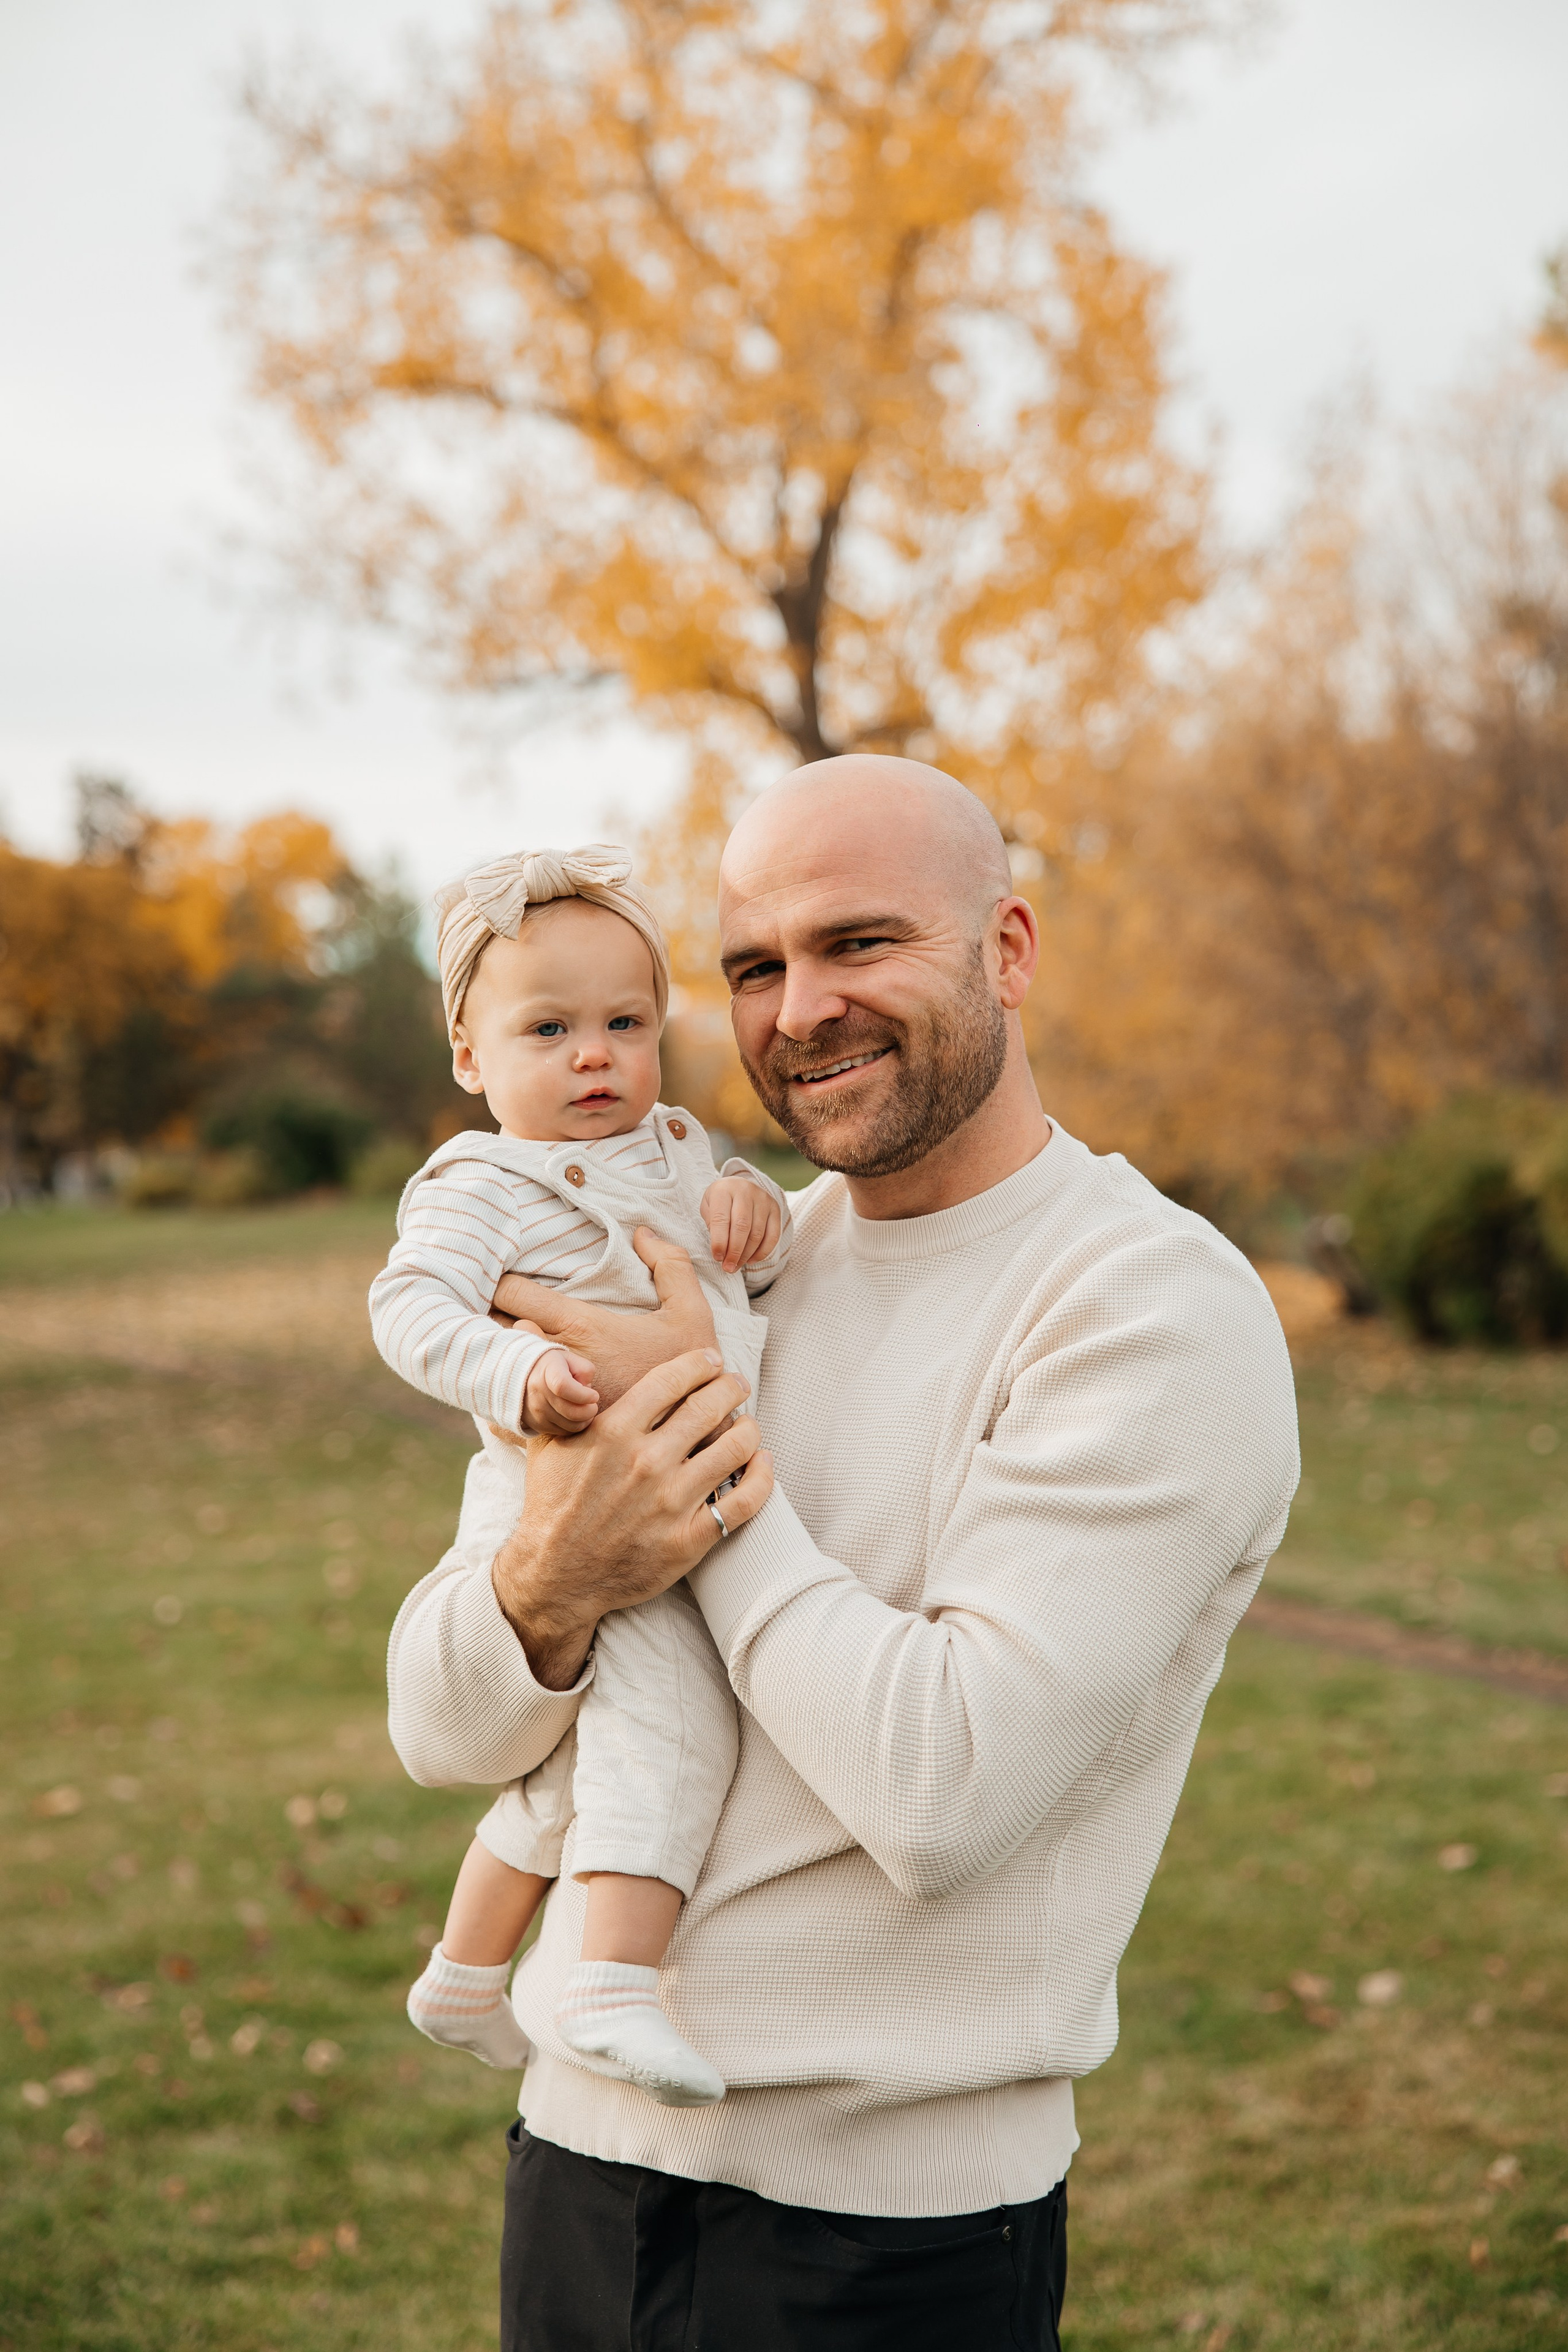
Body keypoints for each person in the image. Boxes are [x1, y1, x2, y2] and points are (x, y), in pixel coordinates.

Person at [386, 756, 1300, 2352]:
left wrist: (691, 1440)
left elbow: (939, 1789)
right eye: (754, 966)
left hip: (884, 2243)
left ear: (1006, 951)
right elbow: (443, 1730)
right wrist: (554, 1578)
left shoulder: (1151, 1305)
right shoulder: (732, 1260)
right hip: (580, 2170)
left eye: (859, 942)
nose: (801, 1009)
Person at [371, 845, 790, 2106]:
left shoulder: (675, 1146)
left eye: (623, 1022)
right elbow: (407, 1306)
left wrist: (750, 1211)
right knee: (670, 1716)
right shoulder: (478, 1183)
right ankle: (610, 1980)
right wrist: (508, 1375)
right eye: (547, 1028)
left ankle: (461, 1973)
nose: (593, 1055)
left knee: (566, 1769)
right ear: (470, 1058)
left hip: (665, 1459)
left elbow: (734, 1275)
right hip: (563, 1477)